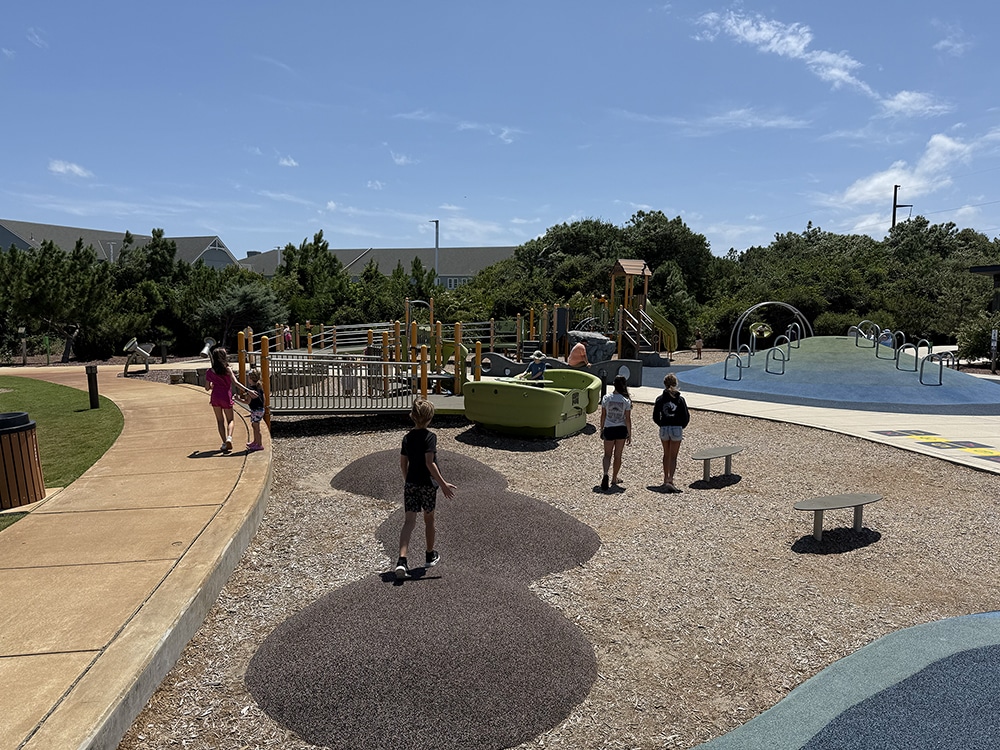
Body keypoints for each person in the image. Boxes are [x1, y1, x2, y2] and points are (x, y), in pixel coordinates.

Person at [395, 399, 456, 580]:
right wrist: (443, 484)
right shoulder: (430, 437)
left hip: (412, 484)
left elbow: (403, 463)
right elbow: (430, 463)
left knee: (408, 523)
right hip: (428, 485)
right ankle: (429, 555)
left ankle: (402, 561)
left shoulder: (407, 438)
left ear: (412, 416)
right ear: (430, 418)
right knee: (429, 520)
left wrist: (408, 480)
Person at [652, 373, 690, 492]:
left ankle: (665, 478)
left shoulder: (660, 399)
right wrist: (681, 426)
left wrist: (661, 423)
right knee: (673, 456)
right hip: (676, 428)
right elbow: (686, 416)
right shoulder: (680, 399)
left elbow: (655, 416)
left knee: (666, 454)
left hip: (664, 428)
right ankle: (671, 479)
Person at [599, 375, 632, 492]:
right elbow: (627, 419)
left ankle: (605, 474)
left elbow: (603, 415)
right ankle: (614, 478)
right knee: (618, 455)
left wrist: (601, 428)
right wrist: (629, 433)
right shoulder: (626, 401)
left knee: (607, 454)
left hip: (609, 428)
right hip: (621, 429)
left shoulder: (606, 398)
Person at [205, 347, 237, 453]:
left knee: (220, 421)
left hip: (215, 397)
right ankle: (229, 438)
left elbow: (207, 388)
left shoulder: (210, 371)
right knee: (230, 420)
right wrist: (247, 390)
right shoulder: (227, 369)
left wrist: (213, 384)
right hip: (226, 396)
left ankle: (224, 443)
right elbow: (235, 382)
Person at [242, 368, 266, 452]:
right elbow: (264, 398)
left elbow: (247, 401)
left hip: (256, 410)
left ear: (250, 379)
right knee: (254, 426)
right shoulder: (259, 387)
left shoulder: (251, 390)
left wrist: (237, 399)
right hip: (259, 410)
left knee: (256, 428)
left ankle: (259, 444)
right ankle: (255, 442)